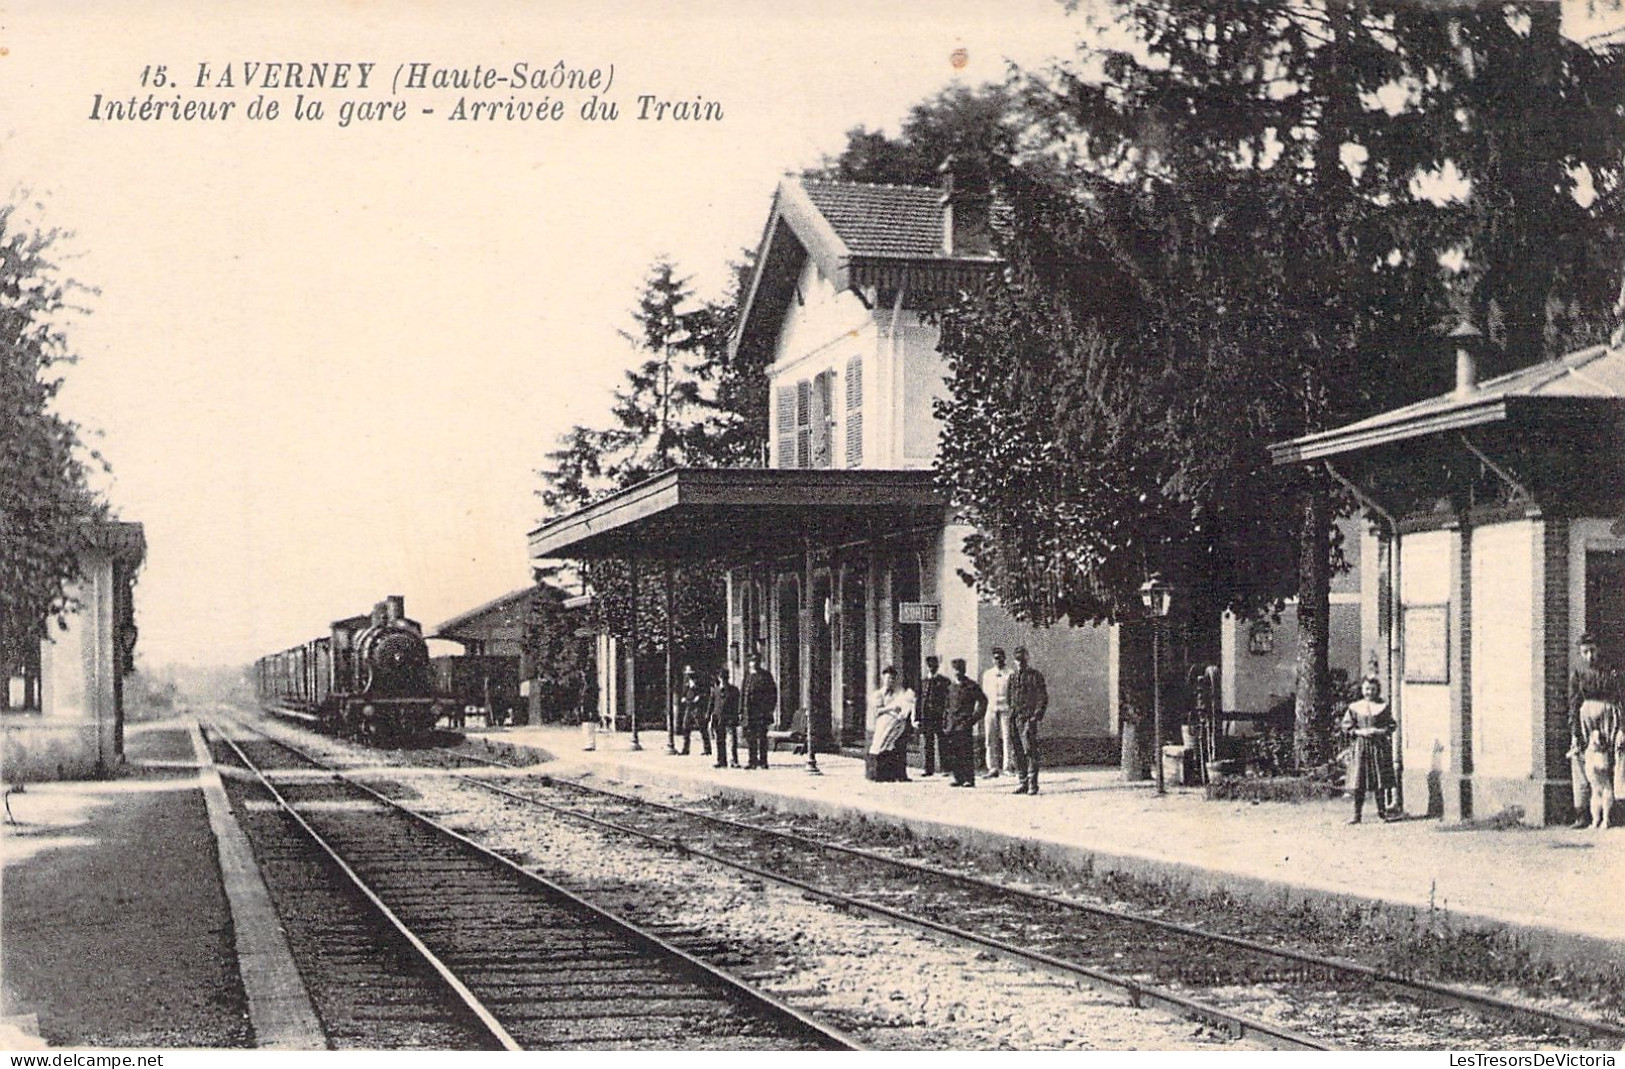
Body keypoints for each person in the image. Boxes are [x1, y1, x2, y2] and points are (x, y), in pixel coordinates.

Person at [1568, 633, 1621, 829]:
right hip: (1586, 721)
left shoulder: (1611, 671)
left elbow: (1621, 697)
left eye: (1592, 651)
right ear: (1580, 653)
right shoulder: (1578, 672)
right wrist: (1575, 732)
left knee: (1614, 758)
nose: (1590, 656)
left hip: (1610, 718)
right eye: (1585, 652)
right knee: (1581, 759)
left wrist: (1622, 728)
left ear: (1598, 649)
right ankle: (1582, 813)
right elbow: (1574, 703)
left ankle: (1613, 812)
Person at [1341, 675, 1396, 824]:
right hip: (1361, 747)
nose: (1369, 692)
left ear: (1377, 690)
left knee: (1379, 781)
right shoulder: (1354, 707)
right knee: (1359, 782)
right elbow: (1346, 726)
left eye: (1372, 689)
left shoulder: (1383, 707)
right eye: (1366, 689)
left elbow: (1391, 725)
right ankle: (1356, 815)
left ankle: (1381, 813)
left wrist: (1378, 731)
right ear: (1362, 689)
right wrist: (1360, 732)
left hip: (1378, 747)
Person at [1008, 647, 1048, 794]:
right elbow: (1009, 698)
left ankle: (1033, 783)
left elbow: (1042, 697)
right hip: (1015, 718)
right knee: (1017, 751)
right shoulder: (1012, 677)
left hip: (1028, 719)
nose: (1020, 663)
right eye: (1017, 660)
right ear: (1014, 661)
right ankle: (1023, 781)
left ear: (1027, 659)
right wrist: (1011, 715)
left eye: (1022, 660)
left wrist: (1035, 716)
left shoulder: (1035, 676)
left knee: (1029, 750)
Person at [942, 658, 987, 787]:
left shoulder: (971, 686)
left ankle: (968, 779)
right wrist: (945, 722)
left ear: (964, 670)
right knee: (954, 752)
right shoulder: (950, 687)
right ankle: (958, 777)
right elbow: (946, 707)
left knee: (965, 751)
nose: (958, 673)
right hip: (952, 724)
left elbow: (983, 702)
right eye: (955, 670)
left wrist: (974, 718)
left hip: (965, 723)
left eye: (960, 670)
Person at [867, 666, 916, 782]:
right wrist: (891, 708)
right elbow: (877, 711)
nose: (890, 681)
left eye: (893, 679)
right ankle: (879, 775)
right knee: (881, 747)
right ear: (883, 678)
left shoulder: (897, 694)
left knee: (895, 749)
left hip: (896, 725)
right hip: (883, 725)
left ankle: (897, 775)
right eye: (888, 678)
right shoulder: (878, 694)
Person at [741, 652, 778, 769]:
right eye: (752, 661)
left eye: (756, 661)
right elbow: (743, 695)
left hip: (761, 712)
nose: (753, 664)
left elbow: (773, 694)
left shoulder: (766, 676)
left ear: (759, 662)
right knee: (750, 738)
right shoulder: (747, 676)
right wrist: (741, 711)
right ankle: (752, 761)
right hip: (749, 712)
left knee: (762, 737)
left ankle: (763, 761)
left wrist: (770, 709)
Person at [981, 647, 1014, 778]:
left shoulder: (1010, 673)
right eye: (995, 658)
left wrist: (1011, 708)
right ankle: (993, 768)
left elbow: (1012, 692)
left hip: (1006, 709)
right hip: (991, 709)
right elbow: (985, 692)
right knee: (990, 739)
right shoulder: (987, 674)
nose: (998, 660)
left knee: (1007, 738)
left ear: (1004, 658)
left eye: (1000, 658)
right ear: (992, 659)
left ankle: (1008, 767)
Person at [917, 656, 949, 776]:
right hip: (926, 716)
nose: (931, 668)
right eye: (929, 666)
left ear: (937, 667)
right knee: (928, 743)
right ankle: (928, 769)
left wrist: (946, 716)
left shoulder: (943, 681)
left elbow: (947, 700)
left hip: (939, 716)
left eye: (934, 666)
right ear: (927, 667)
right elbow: (919, 700)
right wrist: (917, 717)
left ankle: (945, 768)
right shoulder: (923, 682)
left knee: (943, 742)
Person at [709, 668, 741, 769]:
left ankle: (733, 760)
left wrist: (738, 714)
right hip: (718, 718)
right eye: (722, 678)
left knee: (731, 740)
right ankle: (721, 760)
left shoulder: (734, 690)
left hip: (730, 718)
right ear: (719, 678)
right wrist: (709, 716)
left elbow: (738, 704)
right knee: (719, 740)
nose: (723, 681)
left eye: (725, 678)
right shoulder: (715, 690)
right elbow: (711, 704)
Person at [676, 665, 709, 756]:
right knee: (686, 726)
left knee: (702, 726)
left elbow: (704, 692)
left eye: (690, 674)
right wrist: (683, 697)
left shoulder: (699, 681)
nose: (689, 675)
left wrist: (698, 696)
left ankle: (707, 748)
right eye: (687, 674)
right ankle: (685, 749)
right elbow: (684, 692)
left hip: (696, 707)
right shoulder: (686, 681)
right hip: (688, 705)